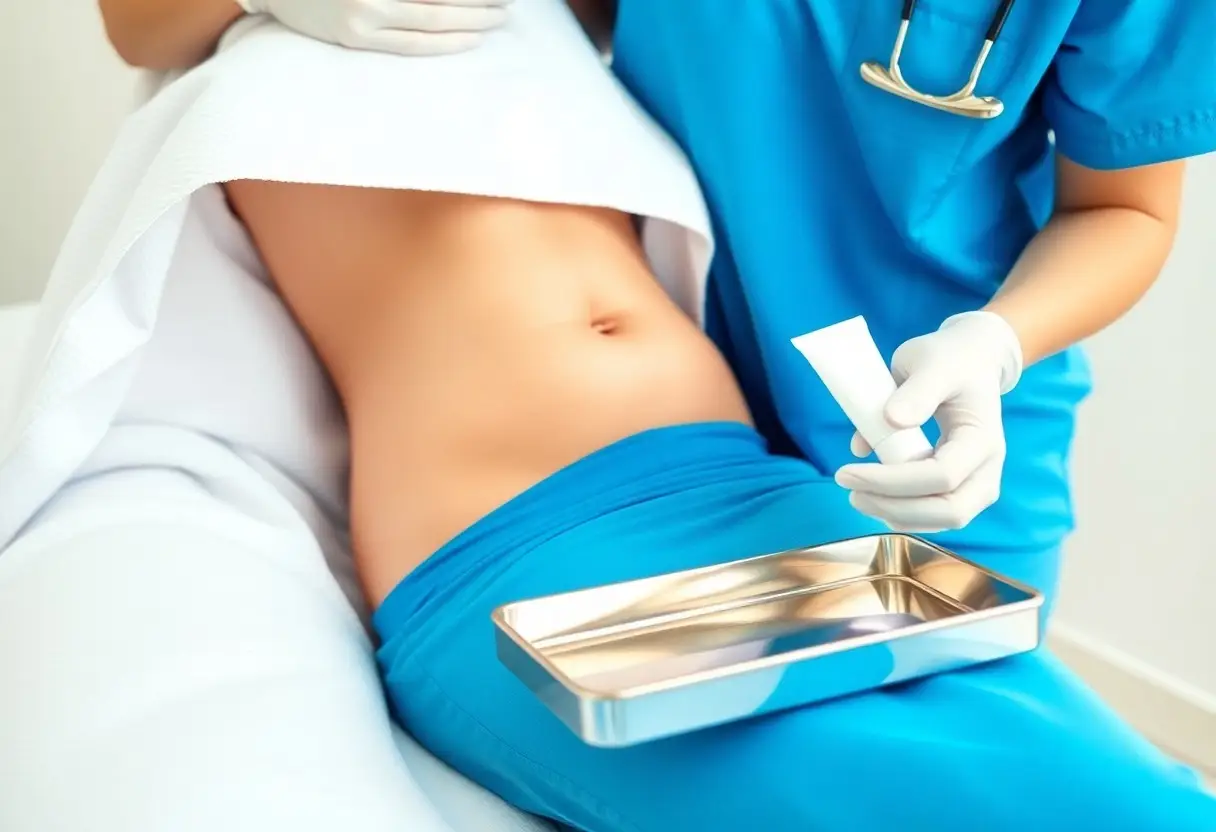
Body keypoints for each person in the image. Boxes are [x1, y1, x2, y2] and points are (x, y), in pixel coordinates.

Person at [86, 1, 1216, 831]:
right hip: (537, 528)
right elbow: (139, 20)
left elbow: (1124, 206)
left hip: (899, 448)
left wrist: (998, 338)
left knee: (1086, 782)